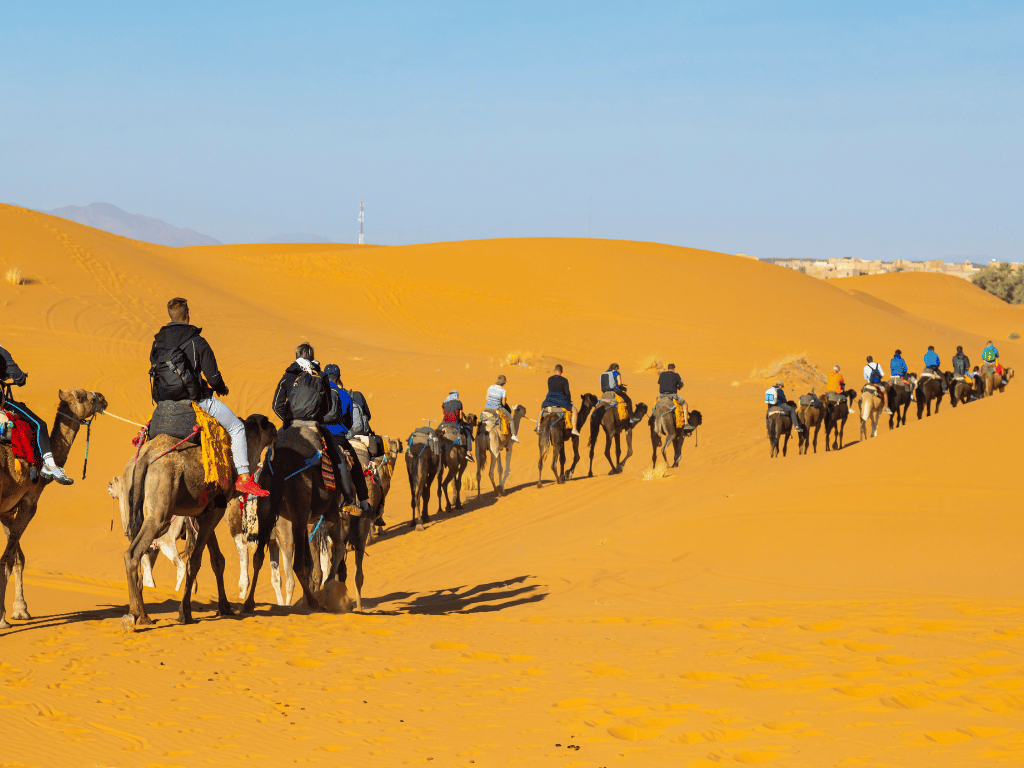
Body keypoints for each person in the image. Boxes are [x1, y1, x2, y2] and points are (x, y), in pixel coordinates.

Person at [150, 298, 267, 497]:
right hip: (196, 401)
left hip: (163, 405)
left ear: (170, 317)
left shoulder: (157, 342)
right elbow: (212, 376)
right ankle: (245, 479)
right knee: (237, 428)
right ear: (188, 315)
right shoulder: (197, 341)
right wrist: (220, 387)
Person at [272, 345, 371, 515]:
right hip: (317, 427)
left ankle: (264, 494)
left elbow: (276, 406)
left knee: (271, 454)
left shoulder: (287, 376)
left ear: (295, 355)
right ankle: (350, 500)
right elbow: (327, 408)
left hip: (291, 426)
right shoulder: (321, 377)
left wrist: (289, 421)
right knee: (339, 458)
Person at [0, 345, 73, 484]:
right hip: (1, 402)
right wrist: (19, 376)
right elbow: (20, 380)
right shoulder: (1, 352)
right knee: (39, 424)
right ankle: (49, 465)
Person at [540, 365, 579, 436]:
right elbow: (567, 393)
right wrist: (569, 401)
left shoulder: (550, 379)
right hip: (561, 402)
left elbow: (550, 390)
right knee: (574, 410)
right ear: (561, 372)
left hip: (548, 401)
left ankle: (538, 426)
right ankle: (574, 429)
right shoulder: (564, 380)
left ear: (554, 371)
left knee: (542, 409)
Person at [442, 389, 475, 460]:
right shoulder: (459, 403)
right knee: (468, 433)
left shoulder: (444, 402)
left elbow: (443, 412)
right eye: (457, 395)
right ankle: (468, 453)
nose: (458, 396)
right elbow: (460, 416)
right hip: (454, 423)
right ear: (455, 395)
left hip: (443, 423)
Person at [485, 375, 519, 442]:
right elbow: (503, 403)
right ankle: (513, 435)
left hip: (488, 407)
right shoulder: (503, 390)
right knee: (510, 418)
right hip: (497, 408)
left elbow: (486, 398)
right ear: (503, 383)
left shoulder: (490, 387)